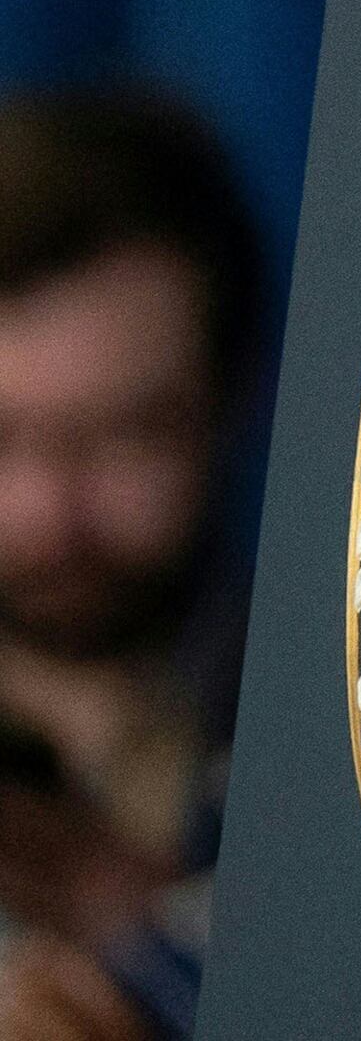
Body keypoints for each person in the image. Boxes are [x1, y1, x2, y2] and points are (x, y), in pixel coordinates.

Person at [0, 92, 267, 1041]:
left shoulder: (331, 746)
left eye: (123, 437)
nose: (45, 512)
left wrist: (168, 958)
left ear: (230, 407)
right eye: (1, 438)